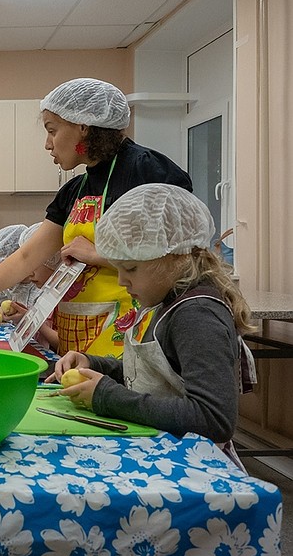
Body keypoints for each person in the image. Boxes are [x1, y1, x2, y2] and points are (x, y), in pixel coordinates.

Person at [0, 78, 193, 358]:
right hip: (77, 340)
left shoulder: (147, 171)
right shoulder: (74, 190)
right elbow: (26, 257)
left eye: (52, 130)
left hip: (127, 338)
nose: (48, 144)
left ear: (82, 126)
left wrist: (99, 254)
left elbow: (179, 258)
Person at [49, 184, 256, 469]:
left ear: (175, 257)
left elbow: (213, 419)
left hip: (196, 472)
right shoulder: (166, 302)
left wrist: (107, 396)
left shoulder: (197, 315)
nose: (122, 281)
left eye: (131, 269)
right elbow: (156, 378)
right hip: (168, 458)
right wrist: (94, 364)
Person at [0, 224, 41, 323]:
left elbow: (38, 323)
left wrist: (3, 314)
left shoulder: (40, 286)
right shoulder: (7, 285)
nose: (2, 274)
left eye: (3, 268)